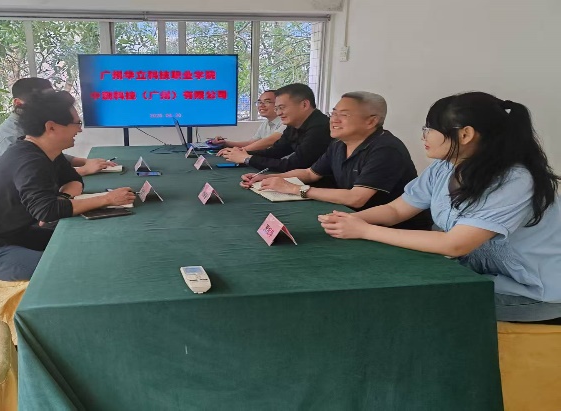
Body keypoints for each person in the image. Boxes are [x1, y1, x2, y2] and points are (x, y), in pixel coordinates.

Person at [319, 91, 561, 323]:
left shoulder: (513, 180)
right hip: (477, 274)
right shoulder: (444, 167)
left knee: (405, 300)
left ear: (465, 134)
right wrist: (349, 220)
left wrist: (365, 230)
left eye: (429, 129)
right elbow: (396, 210)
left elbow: (455, 244)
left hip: (531, 292)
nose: (423, 137)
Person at [0, 90, 136, 281]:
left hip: (12, 234)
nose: (79, 130)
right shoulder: (28, 160)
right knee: (70, 265)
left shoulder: (47, 151)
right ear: (51, 127)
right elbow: (47, 212)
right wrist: (107, 199)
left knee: (85, 243)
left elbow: (74, 181)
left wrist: (62, 199)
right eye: (77, 124)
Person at [241, 92, 432, 230]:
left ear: (371, 121)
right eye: (333, 113)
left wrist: (295, 189)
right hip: (350, 219)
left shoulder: (385, 149)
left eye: (344, 115)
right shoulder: (339, 144)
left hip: (394, 229)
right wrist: (269, 178)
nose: (334, 120)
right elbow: (310, 173)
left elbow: (356, 198)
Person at [0, 77, 115, 176]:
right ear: (18, 103)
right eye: (39, 102)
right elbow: (33, 176)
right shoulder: (11, 138)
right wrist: (84, 170)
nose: (48, 106)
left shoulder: (39, 123)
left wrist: (84, 162)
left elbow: (49, 156)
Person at [219, 83, 332, 172]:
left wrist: (247, 158)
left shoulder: (320, 127)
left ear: (304, 105)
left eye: (282, 108)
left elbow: (294, 165)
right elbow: (276, 151)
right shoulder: (294, 124)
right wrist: (243, 153)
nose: (278, 113)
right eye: (277, 109)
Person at [211, 90, 286, 152]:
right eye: (259, 102)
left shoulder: (285, 122)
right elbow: (251, 143)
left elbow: (270, 141)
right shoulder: (266, 123)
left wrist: (239, 151)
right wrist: (225, 143)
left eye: (267, 102)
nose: (261, 105)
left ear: (279, 104)